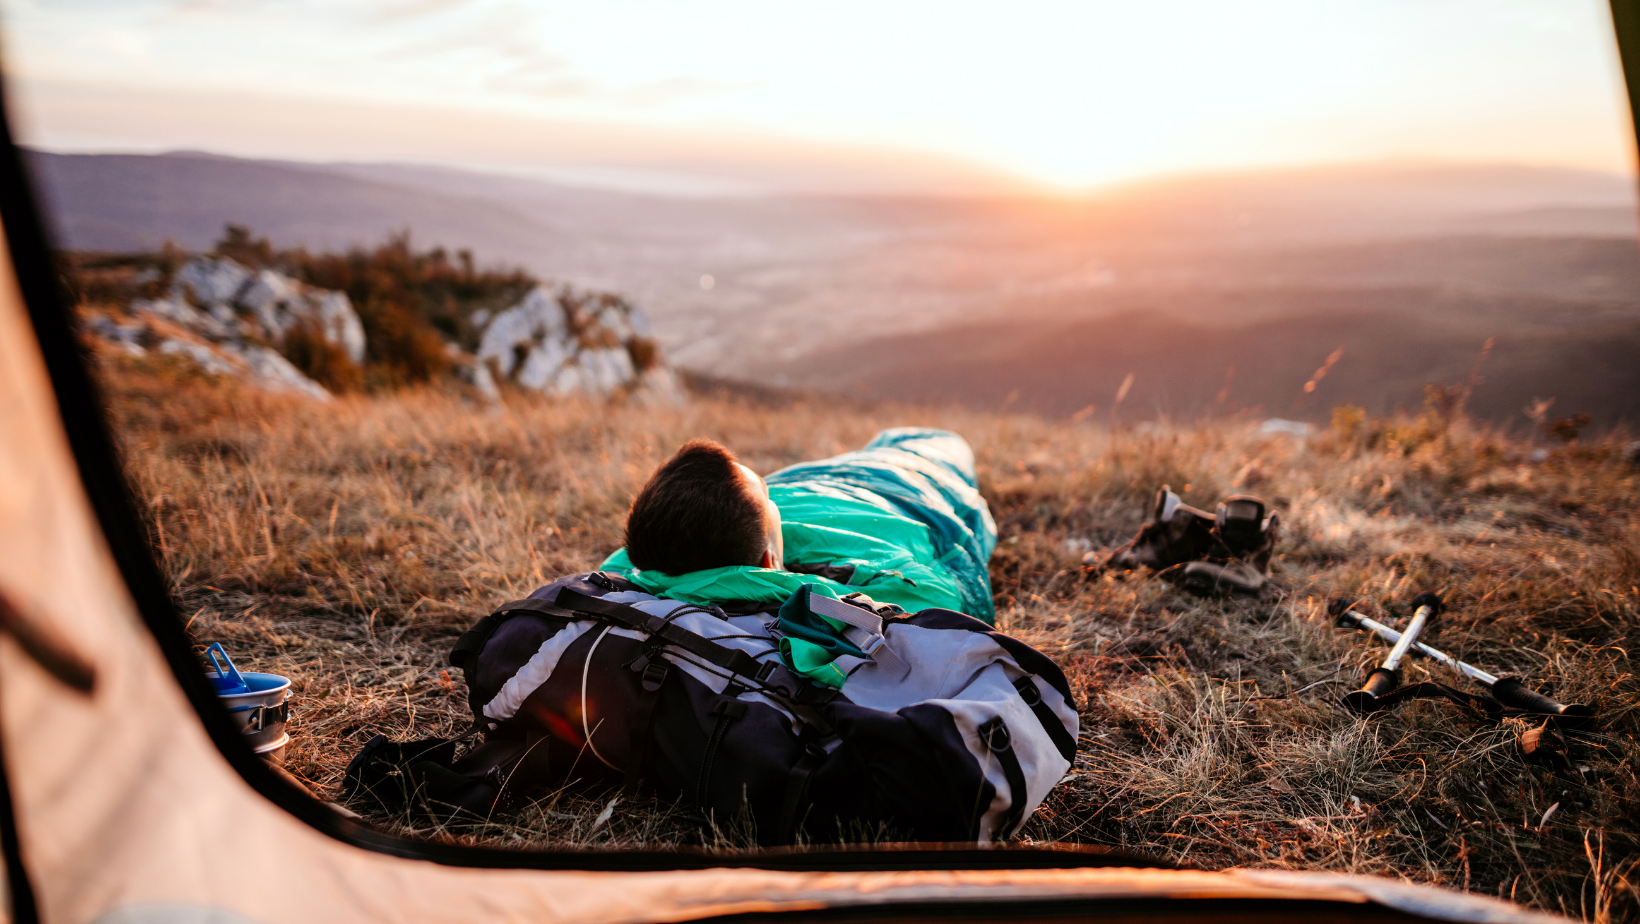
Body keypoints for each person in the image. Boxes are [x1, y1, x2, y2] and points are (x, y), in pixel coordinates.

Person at [598, 427, 998, 625]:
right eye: (769, 498)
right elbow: (951, 598)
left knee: (890, 439)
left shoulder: (636, 569)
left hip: (817, 477)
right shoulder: (830, 596)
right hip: (905, 485)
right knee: (938, 439)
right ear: (770, 559)